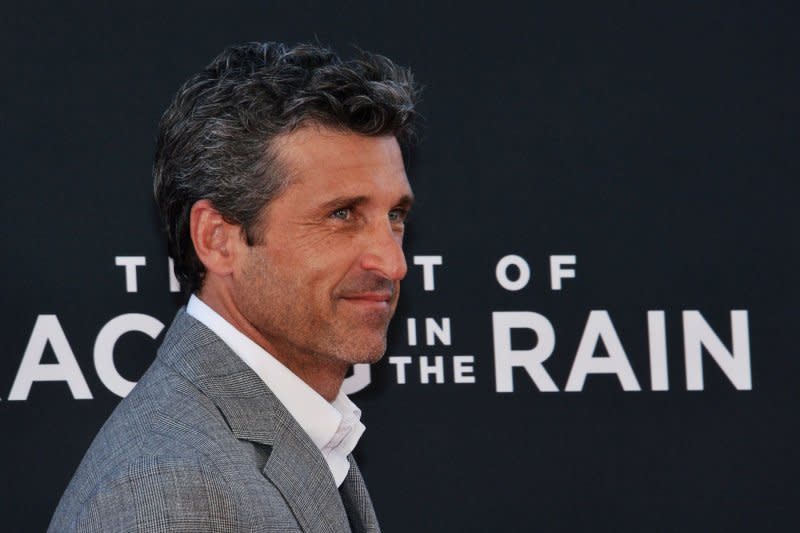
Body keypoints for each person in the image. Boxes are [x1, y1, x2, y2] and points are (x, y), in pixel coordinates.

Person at [49, 41, 419, 533]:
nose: (392, 263)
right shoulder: (164, 491)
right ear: (217, 239)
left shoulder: (294, 430)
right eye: (342, 215)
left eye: (394, 215)